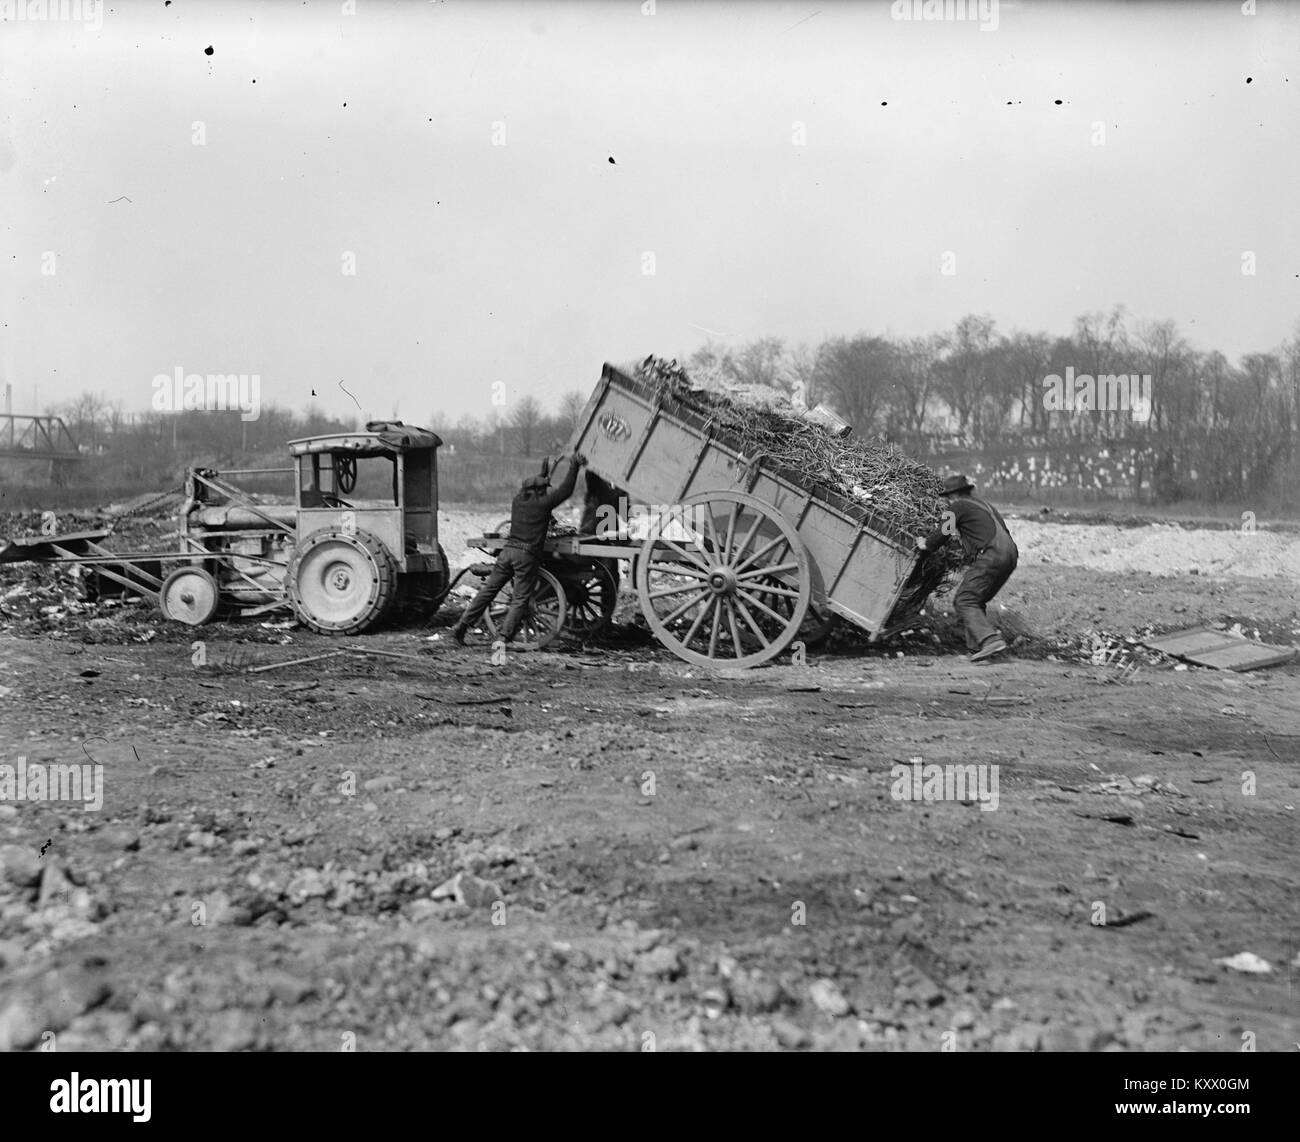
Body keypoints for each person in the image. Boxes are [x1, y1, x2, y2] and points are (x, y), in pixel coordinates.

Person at [452, 451, 588, 645]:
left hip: (507, 552)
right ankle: (503, 638)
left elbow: (535, 483)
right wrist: (574, 466)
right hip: (526, 555)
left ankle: (461, 626)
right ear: (540, 491)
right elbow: (565, 491)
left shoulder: (517, 501)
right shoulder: (543, 504)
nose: (546, 491)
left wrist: (544, 470)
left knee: (488, 591)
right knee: (520, 599)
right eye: (544, 489)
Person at [915, 474, 1018, 662]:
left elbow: (944, 531)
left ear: (952, 495)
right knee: (976, 600)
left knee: (965, 599)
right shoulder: (986, 506)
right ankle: (977, 648)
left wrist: (926, 544)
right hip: (1010, 555)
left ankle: (989, 640)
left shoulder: (957, 506)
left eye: (946, 497)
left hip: (991, 555)